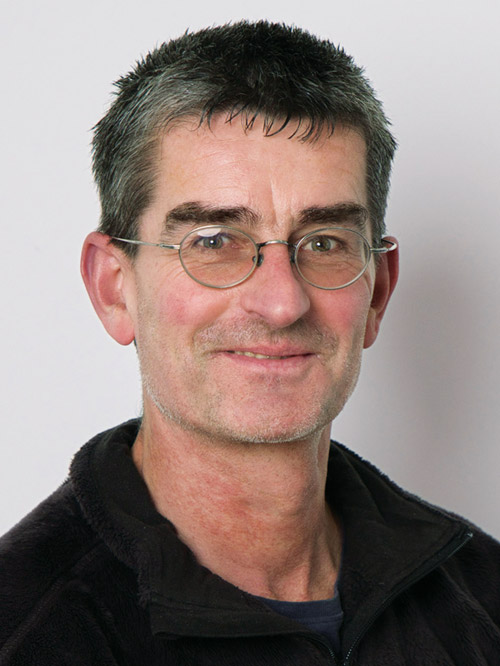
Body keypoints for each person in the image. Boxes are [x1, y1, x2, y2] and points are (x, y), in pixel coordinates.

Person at [1, 20, 499, 666]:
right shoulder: (25, 633)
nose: (282, 302)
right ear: (113, 288)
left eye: (324, 243)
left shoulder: (483, 598)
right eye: (213, 241)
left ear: (377, 290)